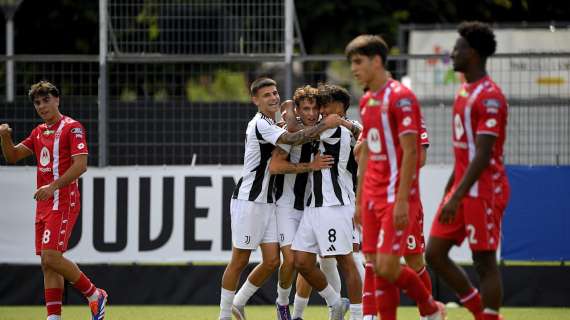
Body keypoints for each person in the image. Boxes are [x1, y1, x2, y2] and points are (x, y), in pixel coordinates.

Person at [219, 77, 341, 320]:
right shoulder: (261, 124)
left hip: (270, 202)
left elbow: (288, 110)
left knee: (274, 261)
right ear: (255, 100)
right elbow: (289, 140)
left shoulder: (274, 120)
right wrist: (319, 131)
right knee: (239, 260)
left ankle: (243, 304)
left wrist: (289, 108)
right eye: (266, 95)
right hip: (250, 200)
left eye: (275, 93)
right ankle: (223, 315)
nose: (273, 98)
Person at [346, 35, 445, 320]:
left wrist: (402, 200)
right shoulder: (367, 101)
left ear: (377, 61)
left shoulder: (402, 98)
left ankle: (430, 309)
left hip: (397, 198)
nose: (353, 68)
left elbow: (413, 152)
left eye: (358, 62)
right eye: (351, 62)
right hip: (373, 198)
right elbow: (365, 154)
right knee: (377, 266)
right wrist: (360, 201)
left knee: (390, 266)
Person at [0, 81, 107, 320]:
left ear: (57, 100)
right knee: (47, 263)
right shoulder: (39, 132)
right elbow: (13, 156)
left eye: (46, 100)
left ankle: (94, 294)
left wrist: (53, 186)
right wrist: (5, 137)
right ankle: (53, 317)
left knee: (51, 256)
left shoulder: (72, 127)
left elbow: (81, 165)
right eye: (37, 103)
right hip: (45, 203)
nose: (42, 106)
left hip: (63, 200)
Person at [426, 21, 509, 320]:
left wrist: (457, 195)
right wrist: (451, 192)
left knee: (484, 260)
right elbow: (464, 154)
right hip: (462, 189)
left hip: (484, 190)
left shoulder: (490, 97)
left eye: (457, 48)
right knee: (434, 252)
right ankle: (479, 311)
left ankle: (489, 316)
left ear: (472, 54)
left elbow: (484, 155)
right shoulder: (464, 91)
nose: (452, 53)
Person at [291, 84, 363, 320]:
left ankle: (358, 315)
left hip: (334, 205)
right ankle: (335, 302)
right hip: (315, 206)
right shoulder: (333, 126)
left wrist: (341, 123)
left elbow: (295, 135)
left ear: (338, 109)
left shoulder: (334, 129)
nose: (318, 110)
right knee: (301, 261)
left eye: (323, 105)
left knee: (346, 261)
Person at [269, 85, 335, 320]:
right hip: (287, 205)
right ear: (297, 110)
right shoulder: (290, 133)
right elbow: (275, 166)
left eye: (314, 108)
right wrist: (309, 166)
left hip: (312, 207)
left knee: (308, 261)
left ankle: (297, 314)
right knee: (290, 261)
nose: (310, 113)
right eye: (305, 108)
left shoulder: (323, 131)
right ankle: (282, 303)